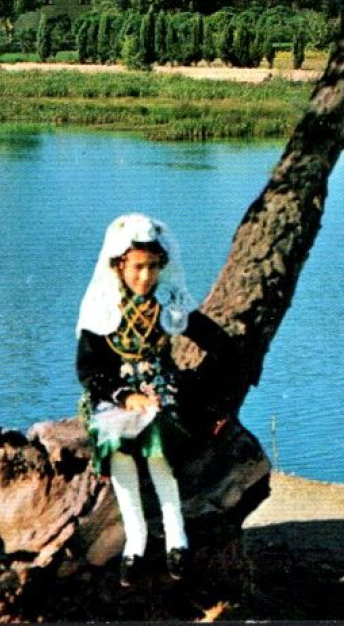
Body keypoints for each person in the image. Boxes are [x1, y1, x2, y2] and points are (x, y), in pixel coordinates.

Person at [75, 213, 222, 588]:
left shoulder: (167, 307)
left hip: (159, 392)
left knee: (157, 451)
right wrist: (124, 395)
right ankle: (135, 540)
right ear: (118, 264)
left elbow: (220, 345)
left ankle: (177, 538)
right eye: (138, 267)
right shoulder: (102, 309)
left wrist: (196, 387)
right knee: (120, 451)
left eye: (154, 267)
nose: (146, 277)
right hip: (117, 397)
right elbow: (89, 369)